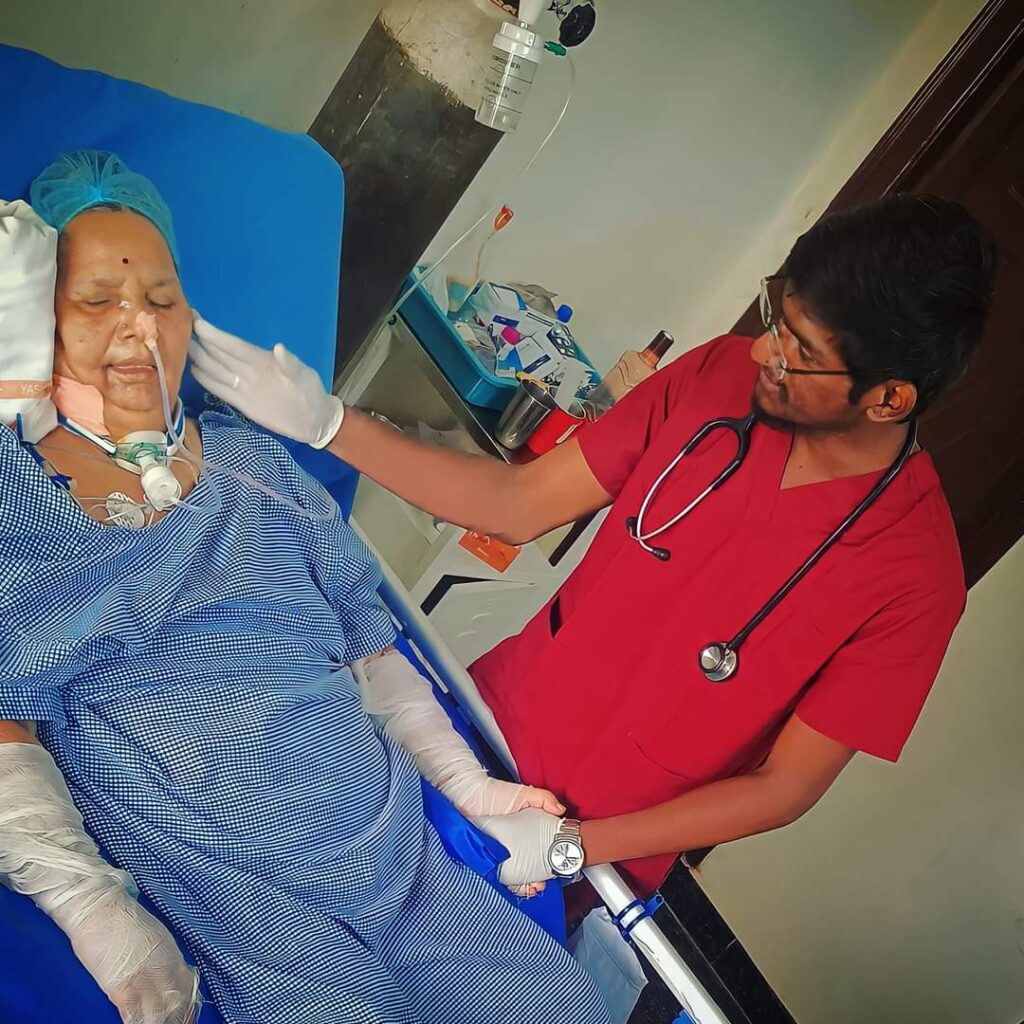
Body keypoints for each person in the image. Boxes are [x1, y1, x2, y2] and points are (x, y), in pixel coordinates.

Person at [192, 193, 996, 900]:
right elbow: (516, 504)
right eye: (775, 319)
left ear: (889, 398)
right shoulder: (714, 379)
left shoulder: (914, 577)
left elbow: (785, 786)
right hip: (478, 728)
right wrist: (332, 426)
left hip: (595, 846)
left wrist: (572, 848)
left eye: (800, 353)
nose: (762, 351)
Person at [0, 151, 608, 1024]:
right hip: (243, 897)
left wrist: (468, 788)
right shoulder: (16, 494)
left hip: (396, 851)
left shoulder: (254, 463)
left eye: (162, 299)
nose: (138, 326)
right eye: (97, 300)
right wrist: (94, 910)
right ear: (39, 321)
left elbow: (372, 648)